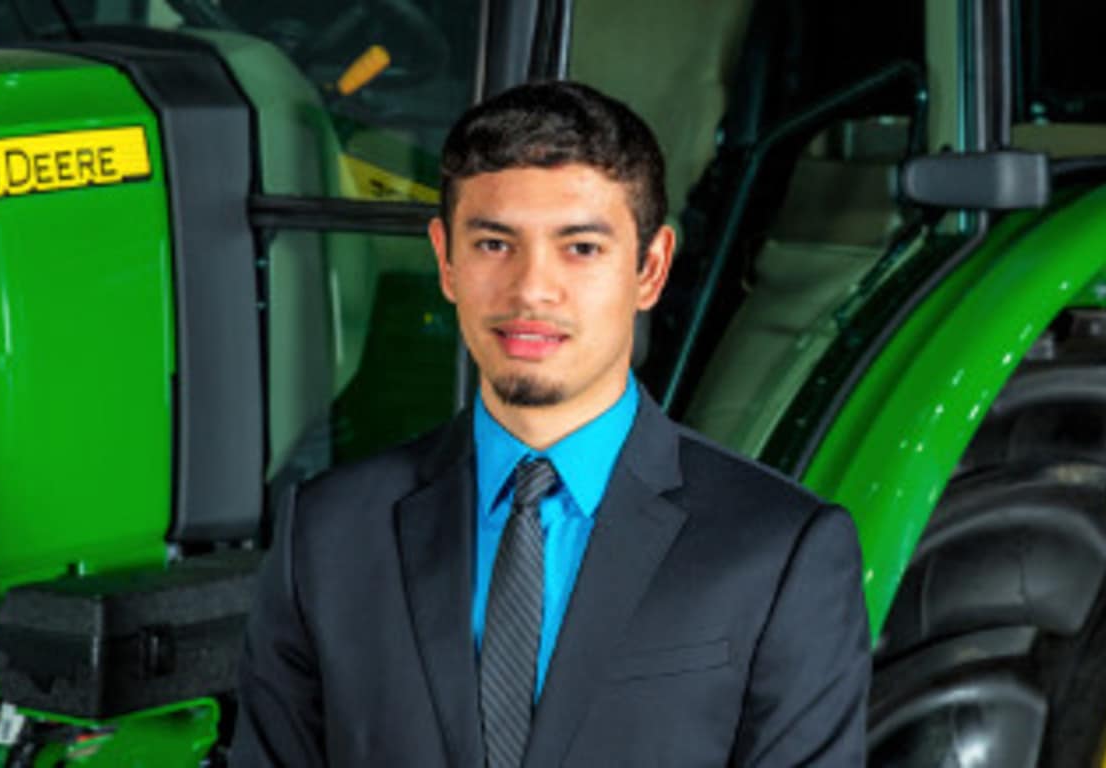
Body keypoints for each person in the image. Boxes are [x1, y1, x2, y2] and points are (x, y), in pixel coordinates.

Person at [231, 80, 870, 767]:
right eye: (495, 244)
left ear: (650, 268)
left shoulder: (780, 551)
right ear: (446, 259)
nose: (531, 289)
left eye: (581, 248)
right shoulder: (325, 537)